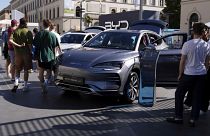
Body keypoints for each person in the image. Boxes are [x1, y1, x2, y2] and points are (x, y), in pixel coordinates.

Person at [166, 22, 210, 127]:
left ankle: (178, 117)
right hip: (202, 74)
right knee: (197, 96)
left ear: (193, 31)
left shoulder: (187, 44)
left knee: (179, 94)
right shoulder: (206, 45)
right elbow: (207, 62)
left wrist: (180, 74)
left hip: (189, 74)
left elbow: (182, 61)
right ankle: (193, 119)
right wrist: (204, 71)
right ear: (203, 32)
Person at [33, 19, 58, 93]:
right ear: (50, 25)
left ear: (43, 25)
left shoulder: (38, 34)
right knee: (49, 72)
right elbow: (54, 47)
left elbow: (35, 45)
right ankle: (46, 83)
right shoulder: (52, 35)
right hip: (50, 56)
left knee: (41, 71)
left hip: (40, 55)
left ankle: (42, 84)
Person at [9, 18, 33, 92]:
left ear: (20, 23)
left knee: (17, 69)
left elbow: (10, 40)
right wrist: (31, 51)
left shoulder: (16, 31)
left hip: (18, 54)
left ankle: (16, 82)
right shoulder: (28, 31)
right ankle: (25, 86)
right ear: (26, 23)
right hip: (26, 53)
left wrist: (18, 46)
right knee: (26, 70)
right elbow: (30, 44)